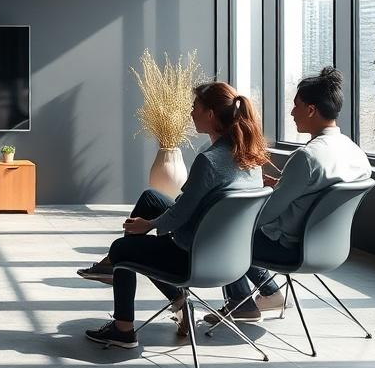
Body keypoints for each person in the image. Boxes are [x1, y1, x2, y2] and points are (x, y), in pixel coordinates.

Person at [80, 82, 269, 349]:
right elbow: (189, 206)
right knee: (150, 199)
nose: (191, 112)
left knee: (123, 248)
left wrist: (149, 224)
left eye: (195, 107)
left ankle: (124, 327)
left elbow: (180, 214)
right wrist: (152, 220)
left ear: (210, 114)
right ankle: (161, 293)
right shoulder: (251, 158)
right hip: (233, 258)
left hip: (194, 258)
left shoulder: (209, 161)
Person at [204, 67, 372, 324]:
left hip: (290, 248)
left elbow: (266, 214)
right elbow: (317, 193)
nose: (292, 112)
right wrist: (279, 186)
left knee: (225, 231)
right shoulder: (356, 153)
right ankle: (271, 294)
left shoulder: (307, 157)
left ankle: (241, 304)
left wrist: (234, 206)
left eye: (296, 106)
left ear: (311, 110)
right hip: (331, 248)